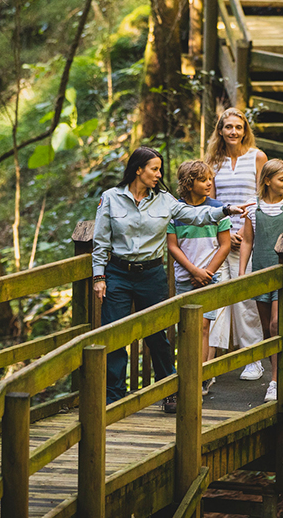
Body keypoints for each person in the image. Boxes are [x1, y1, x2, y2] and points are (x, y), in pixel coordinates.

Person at [92, 147, 250, 411]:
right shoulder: (110, 198)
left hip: (151, 274)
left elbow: (196, 214)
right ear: (138, 169)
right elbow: (100, 241)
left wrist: (226, 210)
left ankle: (169, 390)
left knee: (157, 335)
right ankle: (113, 397)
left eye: (160, 169)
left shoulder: (164, 199)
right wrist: (99, 276)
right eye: (154, 168)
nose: (159, 174)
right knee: (115, 334)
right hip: (117, 273)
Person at [206, 107, 270, 382]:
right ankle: (208, 365)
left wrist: (247, 232)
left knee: (246, 300)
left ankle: (253, 359)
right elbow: (212, 205)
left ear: (245, 130)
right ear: (220, 130)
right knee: (217, 301)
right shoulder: (213, 162)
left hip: (250, 239)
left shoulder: (257, 157)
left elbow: (263, 198)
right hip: (221, 240)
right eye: (228, 127)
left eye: (238, 127)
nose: (233, 132)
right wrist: (224, 234)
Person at [239, 159, 283, 402]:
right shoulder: (253, 208)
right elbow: (247, 241)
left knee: (278, 324)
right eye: (282, 179)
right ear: (267, 181)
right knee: (268, 329)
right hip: (260, 272)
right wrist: (242, 273)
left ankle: (276, 381)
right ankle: (277, 374)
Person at [166, 161, 232, 396]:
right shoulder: (175, 211)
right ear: (188, 183)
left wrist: (207, 273)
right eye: (203, 180)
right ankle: (186, 374)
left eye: (210, 179)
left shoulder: (218, 208)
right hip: (186, 276)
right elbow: (173, 246)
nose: (209, 183)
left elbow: (225, 245)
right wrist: (194, 271)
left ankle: (201, 376)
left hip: (210, 276)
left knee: (204, 326)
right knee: (186, 327)